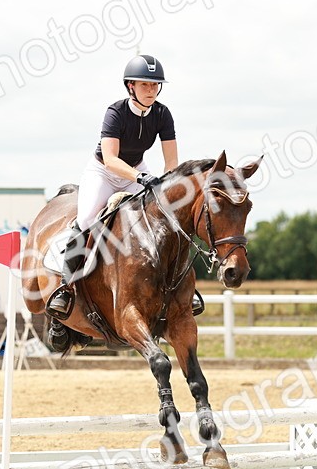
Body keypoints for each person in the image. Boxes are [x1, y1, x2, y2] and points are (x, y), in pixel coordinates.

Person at [47, 54, 203, 322]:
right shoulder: (116, 112)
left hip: (137, 171)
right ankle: (66, 287)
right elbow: (110, 159)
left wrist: (167, 187)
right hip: (104, 172)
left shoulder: (162, 114)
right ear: (130, 86)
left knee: (164, 218)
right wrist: (140, 178)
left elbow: (172, 163)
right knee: (87, 219)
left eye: (155, 85)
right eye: (145, 85)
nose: (151, 90)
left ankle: (182, 285)